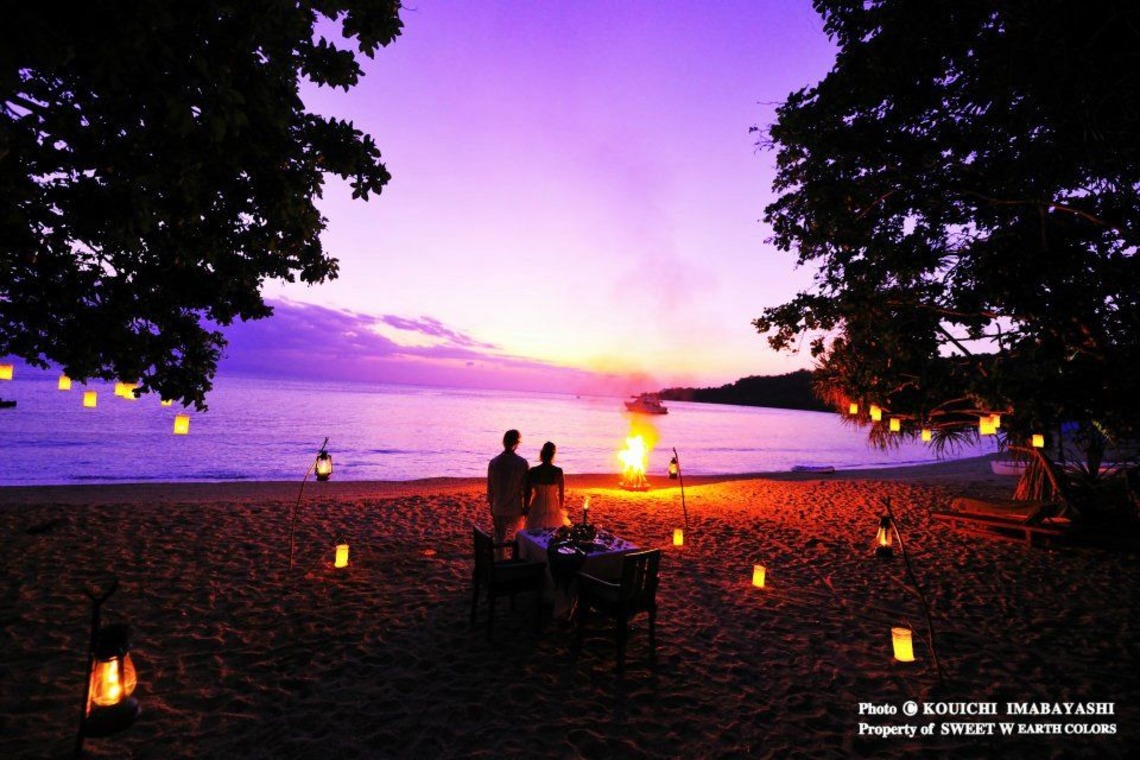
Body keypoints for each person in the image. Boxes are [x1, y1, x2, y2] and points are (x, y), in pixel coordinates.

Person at [487, 429, 528, 549]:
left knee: (499, 537)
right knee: (518, 537)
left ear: (504, 442)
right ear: (517, 443)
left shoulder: (494, 462)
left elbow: (491, 488)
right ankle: (517, 560)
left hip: (498, 506)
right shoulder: (522, 463)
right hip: (515, 506)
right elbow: (525, 488)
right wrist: (526, 507)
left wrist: (491, 506)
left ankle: (499, 560)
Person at [525, 441, 568, 530]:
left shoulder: (533, 471)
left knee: (534, 531)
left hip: (537, 504)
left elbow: (528, 492)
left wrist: (526, 506)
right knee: (553, 530)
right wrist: (560, 508)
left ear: (541, 454)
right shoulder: (558, 471)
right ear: (553, 455)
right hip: (553, 505)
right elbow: (561, 494)